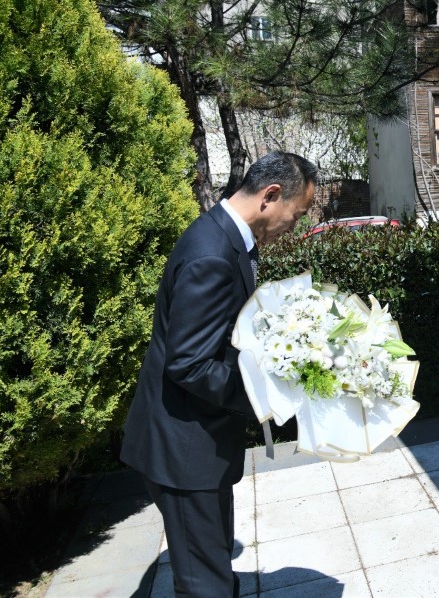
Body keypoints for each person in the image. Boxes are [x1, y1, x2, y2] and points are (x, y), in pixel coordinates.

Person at [120, 151, 317, 597]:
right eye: (297, 213)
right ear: (271, 196)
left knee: (212, 568)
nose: (295, 225)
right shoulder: (211, 254)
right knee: (203, 583)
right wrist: (264, 399)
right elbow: (189, 362)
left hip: (198, 443)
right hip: (182, 452)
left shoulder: (225, 235)